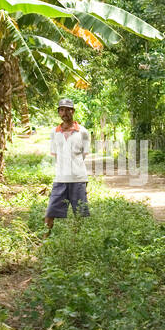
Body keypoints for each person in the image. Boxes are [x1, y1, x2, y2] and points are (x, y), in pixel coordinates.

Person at [45, 97, 91, 232]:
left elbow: (83, 154)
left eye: (68, 110)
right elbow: (55, 154)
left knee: (80, 214)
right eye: (61, 110)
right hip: (60, 179)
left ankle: (77, 242)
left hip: (78, 179)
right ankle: (45, 239)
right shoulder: (54, 132)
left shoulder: (83, 132)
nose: (65, 113)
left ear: (73, 111)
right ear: (59, 112)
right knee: (50, 212)